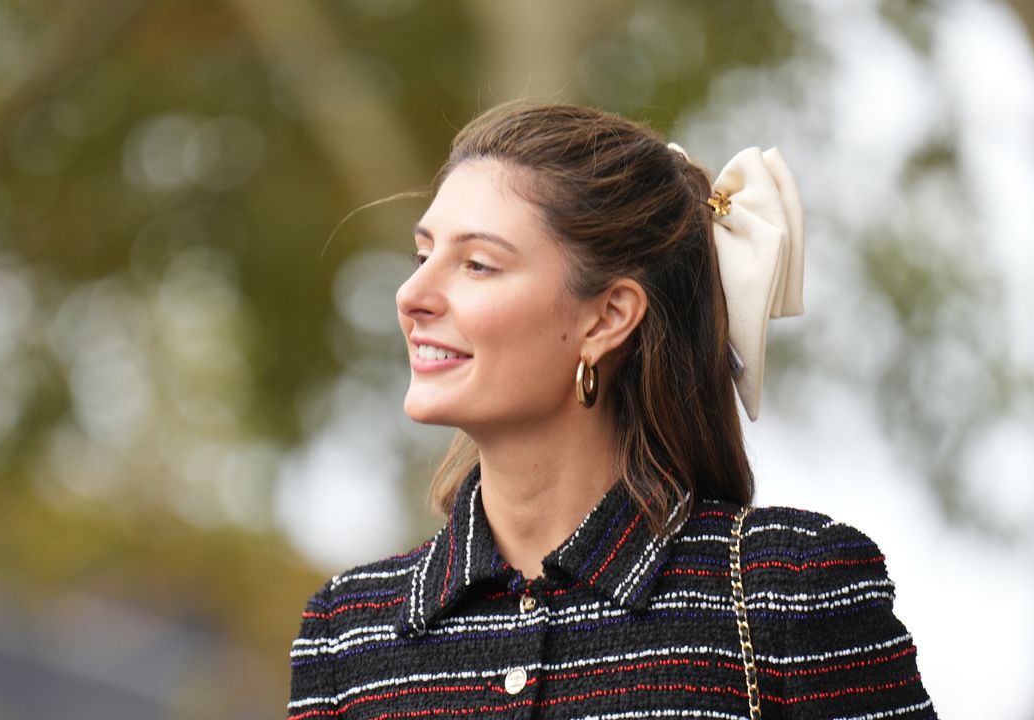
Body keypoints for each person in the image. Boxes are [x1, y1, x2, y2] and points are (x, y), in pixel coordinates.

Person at [287, 103, 935, 719]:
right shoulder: (345, 634)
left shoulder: (792, 591)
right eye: (422, 257)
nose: (412, 294)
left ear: (608, 316)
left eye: (477, 264)